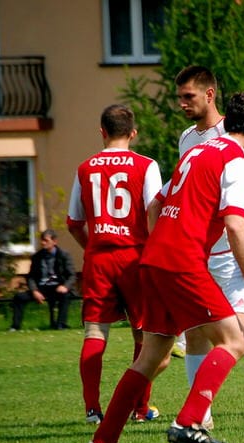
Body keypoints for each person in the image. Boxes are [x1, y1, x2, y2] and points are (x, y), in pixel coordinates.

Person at [86, 92, 244, 443]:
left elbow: (155, 204)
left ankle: (102, 440)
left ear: (226, 122)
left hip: (155, 257)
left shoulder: (195, 152)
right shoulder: (238, 161)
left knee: (152, 354)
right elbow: (236, 224)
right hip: (182, 260)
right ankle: (188, 422)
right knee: (235, 340)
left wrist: (163, 241)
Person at [67, 104, 164, 424]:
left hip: (99, 258)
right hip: (136, 258)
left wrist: (92, 246)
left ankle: (92, 408)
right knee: (145, 337)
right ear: (133, 134)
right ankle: (139, 408)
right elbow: (154, 212)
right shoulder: (147, 165)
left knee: (95, 332)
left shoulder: (85, 168)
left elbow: (73, 222)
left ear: (102, 131)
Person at [169, 65, 226, 360]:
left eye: (189, 96)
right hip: (196, 248)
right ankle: (201, 408)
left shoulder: (230, 133)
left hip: (229, 248)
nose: (182, 103)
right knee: (195, 331)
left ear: (210, 94)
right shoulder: (186, 137)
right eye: (180, 97)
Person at [10, 229, 76, 331]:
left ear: (54, 241)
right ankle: (15, 326)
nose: (42, 243)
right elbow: (31, 277)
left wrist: (65, 286)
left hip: (58, 287)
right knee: (19, 297)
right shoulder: (37, 257)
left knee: (65, 296)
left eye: (46, 240)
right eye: (42, 240)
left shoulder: (63, 255)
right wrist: (34, 291)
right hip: (42, 288)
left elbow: (72, 275)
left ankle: (61, 325)